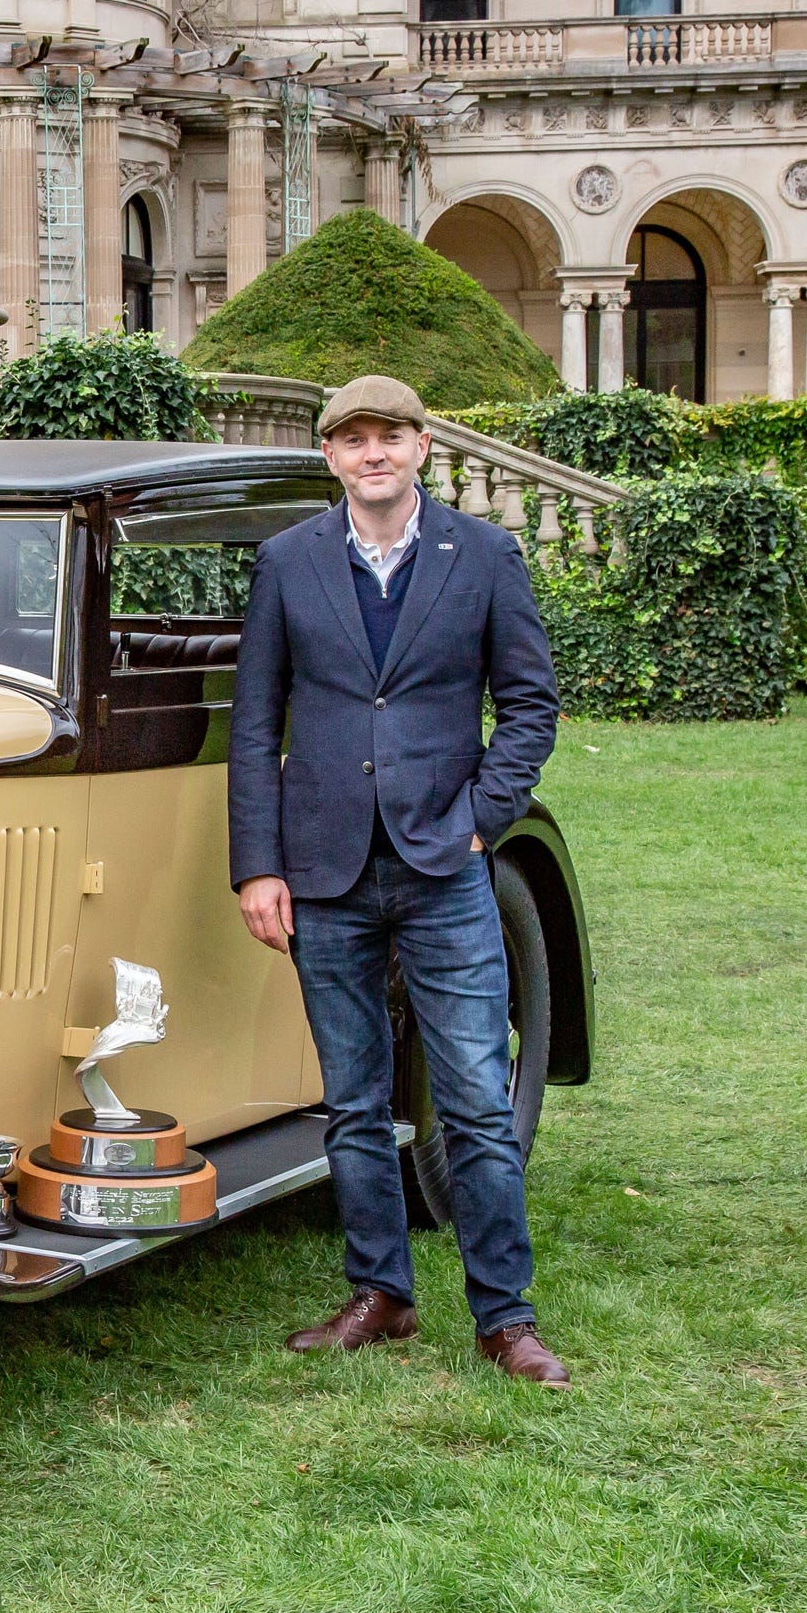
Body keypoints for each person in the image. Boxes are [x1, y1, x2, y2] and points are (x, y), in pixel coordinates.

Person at [227, 374, 570, 1387]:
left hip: (442, 866)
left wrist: (479, 822)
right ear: (331, 457)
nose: (374, 452)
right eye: (354, 438)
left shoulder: (486, 556)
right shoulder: (288, 563)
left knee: (470, 1096)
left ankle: (505, 1317)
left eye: (392, 436)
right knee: (352, 1101)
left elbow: (532, 706)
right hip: (325, 867)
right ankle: (381, 1293)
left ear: (423, 448)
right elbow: (256, 725)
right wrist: (258, 863)